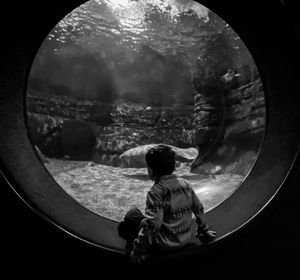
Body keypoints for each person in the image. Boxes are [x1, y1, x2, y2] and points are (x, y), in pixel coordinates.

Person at [118, 144, 216, 264]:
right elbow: (199, 208)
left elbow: (153, 225)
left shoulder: (155, 192)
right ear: (174, 167)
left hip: (163, 245)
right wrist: (204, 229)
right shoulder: (185, 184)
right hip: (185, 238)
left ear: (150, 171)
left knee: (131, 215)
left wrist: (139, 250)